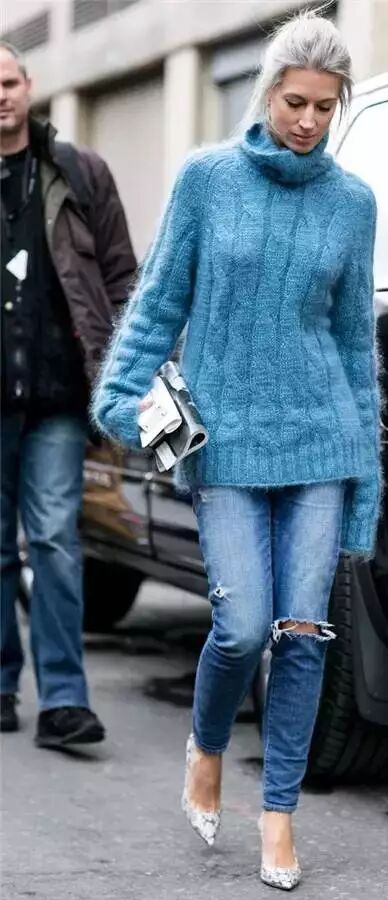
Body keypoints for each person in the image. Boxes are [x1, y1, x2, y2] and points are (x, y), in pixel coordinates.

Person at [92, 9, 380, 891]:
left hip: (320, 443)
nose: (309, 121)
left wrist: (366, 482)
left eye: (325, 107)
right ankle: (208, 744)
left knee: (303, 634)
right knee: (243, 626)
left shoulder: (353, 204)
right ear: (267, 93)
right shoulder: (208, 180)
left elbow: (354, 345)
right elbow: (160, 300)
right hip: (224, 446)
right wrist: (121, 394)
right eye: (296, 103)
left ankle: (279, 815)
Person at [0, 42, 137, 746]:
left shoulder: (79, 172)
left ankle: (63, 700)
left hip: (57, 396)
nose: (0, 96)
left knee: (54, 539)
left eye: (7, 81)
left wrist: (130, 369)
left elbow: (120, 275)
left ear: (29, 85)